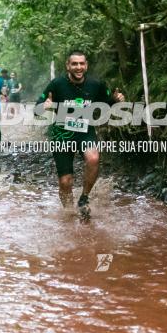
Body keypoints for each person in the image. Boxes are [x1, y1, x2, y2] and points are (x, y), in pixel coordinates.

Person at [38, 50, 124, 219]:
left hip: (85, 130)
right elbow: (37, 107)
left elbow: (106, 103)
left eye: (81, 64)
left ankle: (84, 198)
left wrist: (116, 99)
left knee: (93, 158)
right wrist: (44, 105)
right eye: (74, 64)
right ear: (68, 66)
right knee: (65, 181)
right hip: (61, 134)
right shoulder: (56, 84)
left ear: (86, 65)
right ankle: (69, 212)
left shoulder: (95, 84)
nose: (78, 67)